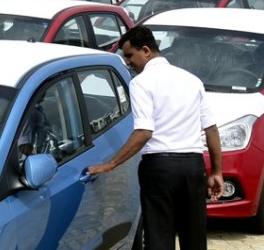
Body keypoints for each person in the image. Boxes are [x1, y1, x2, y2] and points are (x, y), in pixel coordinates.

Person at [87, 26, 223, 250]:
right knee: (195, 238)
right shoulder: (192, 80)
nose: (128, 62)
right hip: (193, 167)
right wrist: (217, 172)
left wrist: (111, 164)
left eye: (130, 56)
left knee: (159, 237)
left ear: (146, 51)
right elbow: (211, 130)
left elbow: (144, 131)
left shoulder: (141, 83)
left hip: (160, 168)